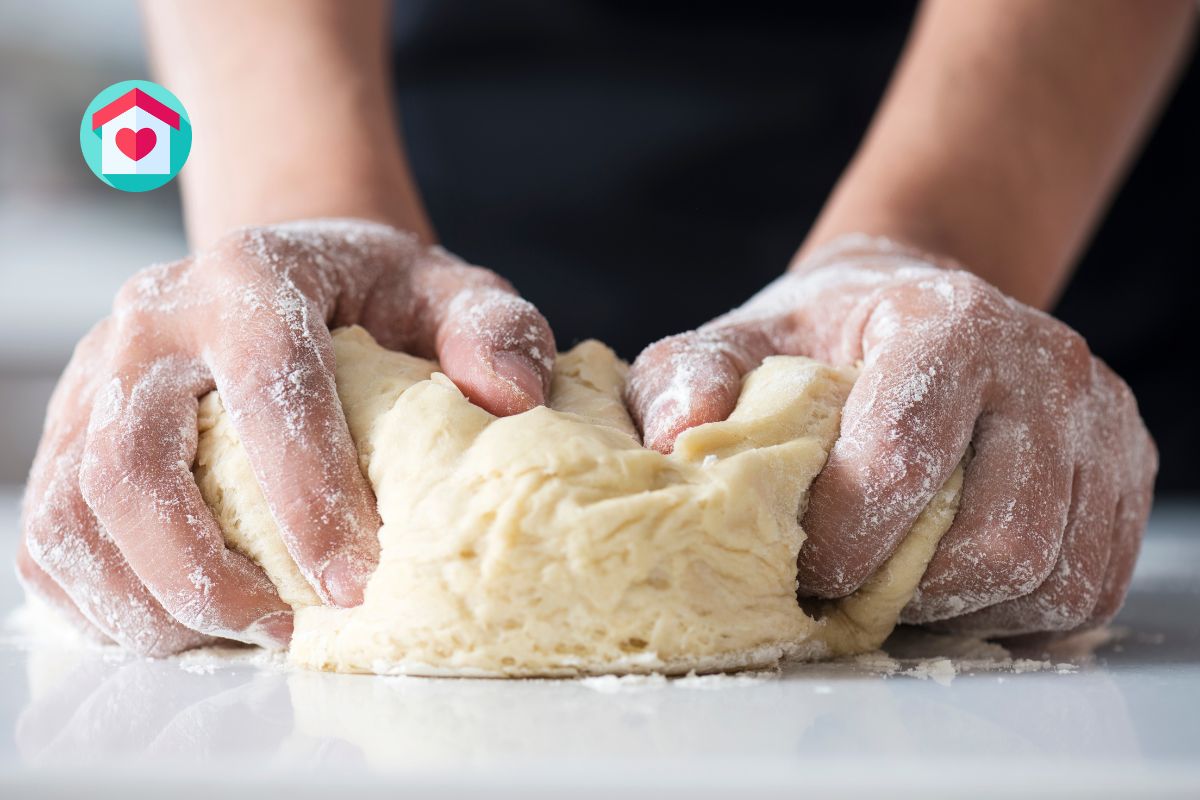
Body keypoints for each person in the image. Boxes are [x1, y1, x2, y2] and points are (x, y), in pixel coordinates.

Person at [16, 0, 1191, 655]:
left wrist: (934, 236)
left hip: (1027, 229)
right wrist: (307, 201)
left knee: (962, 483)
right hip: (443, 159)